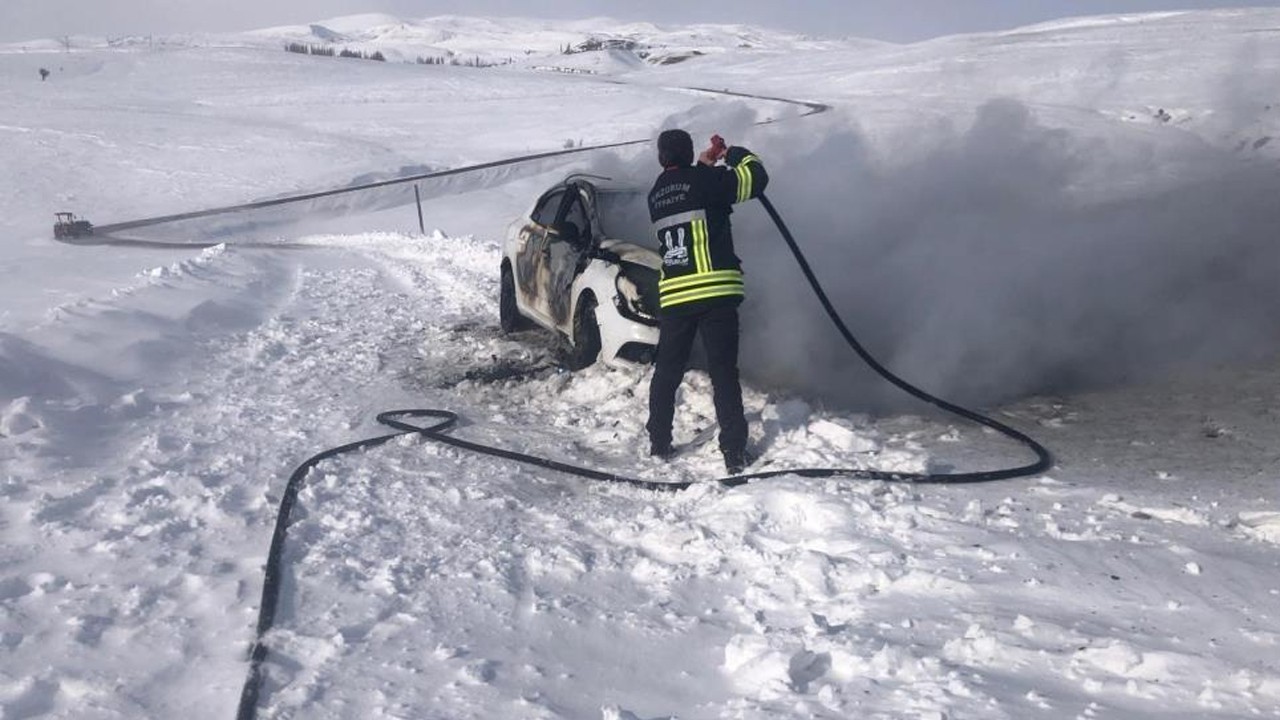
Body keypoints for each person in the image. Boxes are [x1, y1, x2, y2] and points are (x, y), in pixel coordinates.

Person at [646, 129, 769, 474]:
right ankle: (733, 453)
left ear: (661, 159)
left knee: (667, 372)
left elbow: (688, 186)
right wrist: (733, 154)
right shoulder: (706, 182)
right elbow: (756, 179)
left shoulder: (656, 193)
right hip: (715, 293)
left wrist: (705, 163)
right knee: (723, 374)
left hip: (675, 298)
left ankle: (658, 442)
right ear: (686, 156)